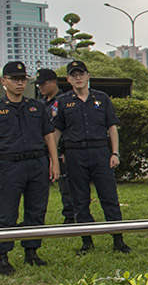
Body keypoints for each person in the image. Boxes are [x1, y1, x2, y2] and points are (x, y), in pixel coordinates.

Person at [49, 59, 129, 254]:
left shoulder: (102, 98)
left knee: (109, 197)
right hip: (75, 154)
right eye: (74, 75)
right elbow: (56, 132)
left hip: (100, 152)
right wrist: (54, 159)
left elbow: (112, 127)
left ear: (87, 76)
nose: (78, 78)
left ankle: (118, 240)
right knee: (80, 200)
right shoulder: (63, 102)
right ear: (68, 79)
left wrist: (115, 153)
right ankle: (87, 241)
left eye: (81, 74)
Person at [0, 61, 59, 274]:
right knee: (6, 212)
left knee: (36, 210)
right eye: (14, 79)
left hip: (36, 163)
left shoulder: (36, 107)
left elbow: (48, 135)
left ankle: (31, 251)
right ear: (3, 81)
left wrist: (54, 162)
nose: (19, 83)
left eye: (22, 79)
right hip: (8, 165)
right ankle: (3, 255)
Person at [35, 67, 74, 225]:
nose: (40, 87)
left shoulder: (64, 100)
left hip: (62, 148)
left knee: (66, 185)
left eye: (43, 84)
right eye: (38, 85)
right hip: (44, 150)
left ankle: (70, 215)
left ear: (53, 82)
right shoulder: (41, 103)